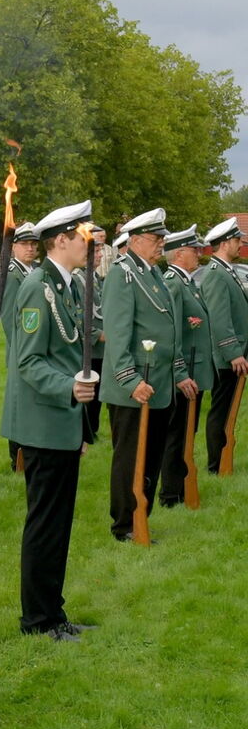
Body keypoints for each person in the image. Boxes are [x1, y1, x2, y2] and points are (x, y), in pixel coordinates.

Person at [2, 201, 97, 641]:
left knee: (58, 526)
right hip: (43, 423)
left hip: (62, 421)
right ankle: (38, 620)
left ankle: (52, 612)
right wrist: (69, 388)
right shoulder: (37, 287)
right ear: (61, 240)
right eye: (82, 236)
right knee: (45, 526)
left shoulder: (66, 285)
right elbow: (28, 361)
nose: (89, 243)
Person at [100, 208, 196, 541]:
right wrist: (129, 379)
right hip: (135, 385)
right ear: (136, 240)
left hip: (157, 382)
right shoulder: (122, 274)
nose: (161, 245)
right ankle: (125, 524)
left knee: (152, 455)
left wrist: (178, 372)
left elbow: (169, 330)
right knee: (131, 457)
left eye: (162, 239)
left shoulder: (152, 273)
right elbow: (117, 334)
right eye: (156, 239)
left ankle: (142, 515)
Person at [158, 226, 213, 505]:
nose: (199, 254)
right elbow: (172, 332)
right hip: (184, 371)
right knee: (177, 434)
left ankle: (179, 487)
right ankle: (171, 493)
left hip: (194, 368)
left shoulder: (187, 282)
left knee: (187, 431)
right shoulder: (173, 283)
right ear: (179, 254)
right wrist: (179, 370)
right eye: (194, 250)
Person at [200, 217, 248, 474]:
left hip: (233, 356)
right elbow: (219, 320)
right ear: (225, 243)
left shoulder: (226, 271)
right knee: (221, 411)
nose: (241, 245)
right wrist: (233, 353)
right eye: (238, 241)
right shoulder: (216, 274)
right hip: (225, 358)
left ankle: (221, 463)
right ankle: (216, 464)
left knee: (228, 409)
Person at [1, 221, 39, 471]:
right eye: (25, 244)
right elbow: (8, 317)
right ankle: (16, 456)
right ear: (14, 247)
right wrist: (21, 349)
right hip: (21, 349)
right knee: (18, 402)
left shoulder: (34, 271)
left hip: (32, 346)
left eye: (33, 244)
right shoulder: (12, 274)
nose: (30, 249)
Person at [73, 225, 106, 437]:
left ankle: (92, 430)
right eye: (96, 249)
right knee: (88, 393)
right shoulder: (78, 278)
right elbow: (78, 315)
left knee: (97, 394)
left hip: (100, 349)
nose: (100, 254)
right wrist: (97, 335)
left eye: (101, 250)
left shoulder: (94, 278)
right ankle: (86, 431)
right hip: (89, 348)